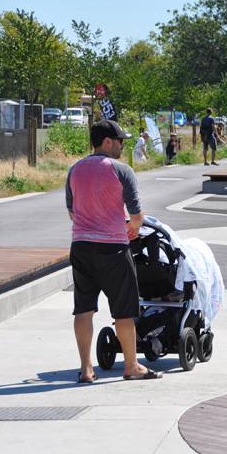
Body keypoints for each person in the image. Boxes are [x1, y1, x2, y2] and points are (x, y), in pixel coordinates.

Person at [66, 119, 161, 383]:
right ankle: (131, 366)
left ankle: (86, 369)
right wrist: (132, 228)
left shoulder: (74, 170)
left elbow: (72, 211)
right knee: (123, 310)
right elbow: (136, 215)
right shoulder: (121, 170)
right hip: (113, 249)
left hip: (81, 246)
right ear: (107, 142)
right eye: (120, 141)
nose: (122, 145)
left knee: (83, 308)